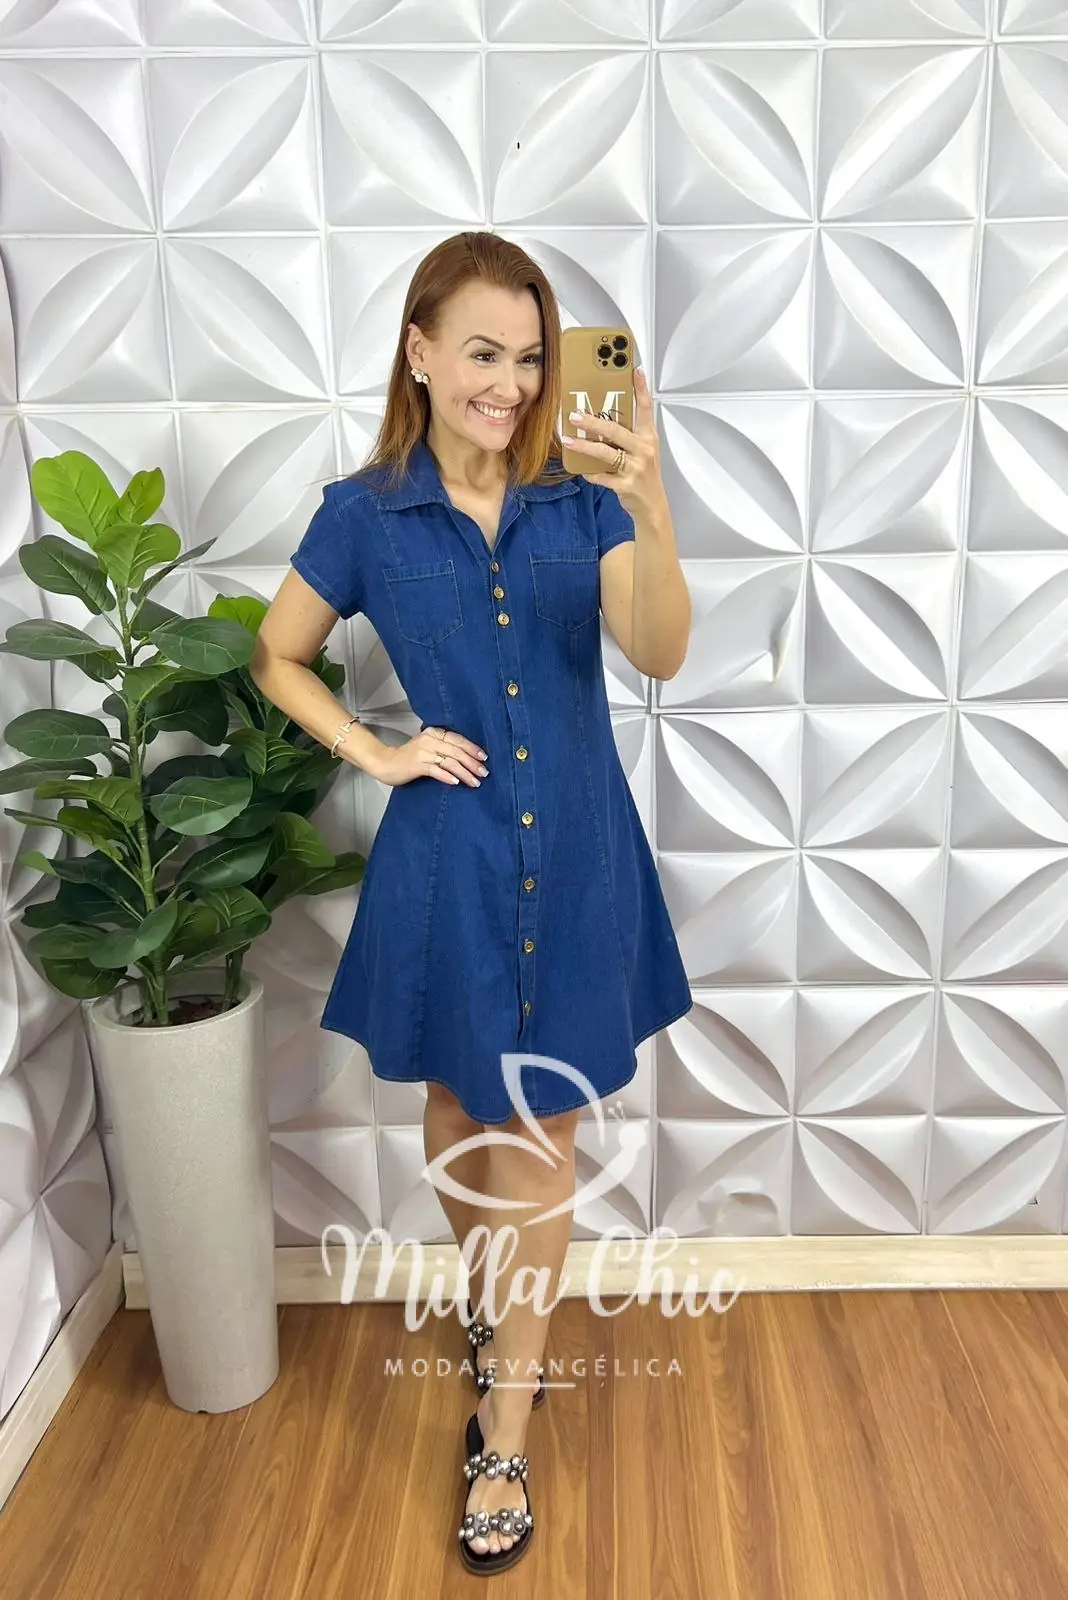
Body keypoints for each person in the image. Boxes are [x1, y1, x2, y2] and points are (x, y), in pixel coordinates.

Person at [250, 230, 693, 1574]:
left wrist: (651, 497)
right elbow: (278, 656)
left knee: (542, 1123)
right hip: (449, 853)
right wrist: (377, 751)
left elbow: (661, 651)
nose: (510, 384)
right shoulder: (362, 514)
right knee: (456, 1105)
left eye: (532, 357)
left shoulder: (582, 499)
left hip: (580, 853)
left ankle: (502, 1433)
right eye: (483, 353)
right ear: (421, 352)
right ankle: (501, 1311)